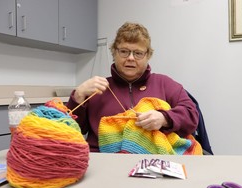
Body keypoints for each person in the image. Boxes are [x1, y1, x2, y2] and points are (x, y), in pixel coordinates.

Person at [67, 22, 199, 152]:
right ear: (114, 52)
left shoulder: (164, 84)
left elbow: (192, 116)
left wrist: (165, 119)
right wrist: (78, 96)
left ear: (148, 55)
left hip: (154, 162)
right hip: (104, 160)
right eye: (124, 51)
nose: (130, 58)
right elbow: (70, 131)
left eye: (138, 53)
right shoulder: (97, 89)